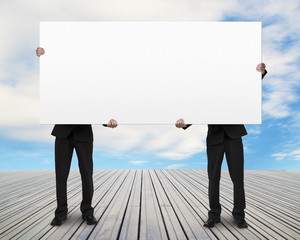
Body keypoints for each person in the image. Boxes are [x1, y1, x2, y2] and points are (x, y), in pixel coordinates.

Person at [175, 63, 267, 228]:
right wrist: (184, 124)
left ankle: (239, 215)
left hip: (234, 136)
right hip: (215, 138)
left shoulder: (233, 85)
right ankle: (214, 215)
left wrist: (261, 72)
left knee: (238, 178)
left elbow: (248, 88)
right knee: (213, 178)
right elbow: (197, 110)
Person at [36, 47, 118, 226]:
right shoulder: (62, 80)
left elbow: (100, 107)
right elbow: (51, 77)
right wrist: (43, 57)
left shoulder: (94, 86)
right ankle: (61, 212)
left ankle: (87, 211)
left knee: (87, 174)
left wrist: (108, 121)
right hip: (63, 133)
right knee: (61, 175)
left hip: (83, 133)